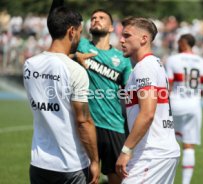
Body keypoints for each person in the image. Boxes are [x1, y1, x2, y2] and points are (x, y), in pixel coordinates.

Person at [23, 6, 99, 184]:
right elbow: (83, 121)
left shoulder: (29, 64)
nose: (80, 37)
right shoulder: (76, 71)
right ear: (71, 31)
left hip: (39, 163)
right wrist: (95, 160)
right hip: (70, 165)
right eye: (80, 32)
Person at [115, 17, 180, 184]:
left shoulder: (145, 66)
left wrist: (126, 150)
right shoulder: (151, 64)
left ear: (144, 39)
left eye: (127, 35)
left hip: (152, 154)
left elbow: (147, 113)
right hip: (159, 152)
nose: (121, 40)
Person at [76, 9, 132, 184]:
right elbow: (59, 55)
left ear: (110, 28)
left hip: (113, 124)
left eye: (101, 18)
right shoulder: (81, 46)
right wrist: (74, 57)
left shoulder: (122, 59)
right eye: (93, 18)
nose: (95, 20)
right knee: (87, 177)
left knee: (117, 177)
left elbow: (130, 91)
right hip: (86, 123)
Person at [165, 34, 203, 184]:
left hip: (174, 104)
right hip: (193, 106)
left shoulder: (173, 60)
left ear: (182, 43)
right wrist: (195, 93)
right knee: (189, 145)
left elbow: (168, 87)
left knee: (167, 143)